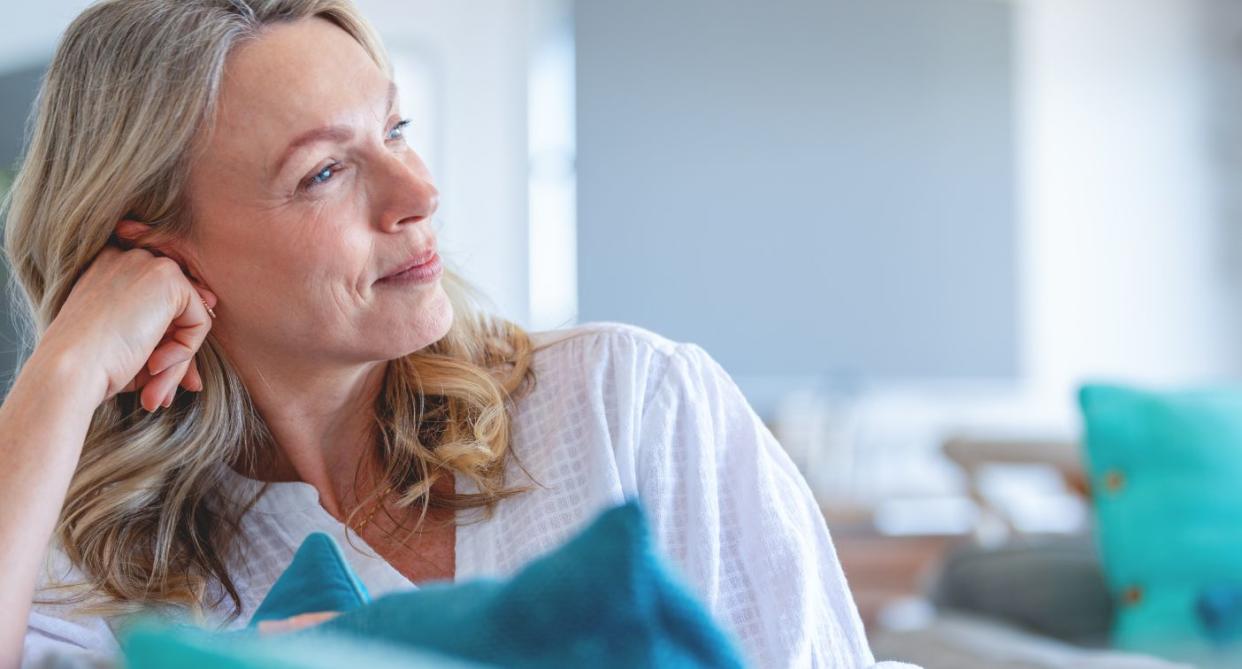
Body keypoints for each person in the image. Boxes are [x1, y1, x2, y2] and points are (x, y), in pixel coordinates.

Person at [0, 1, 908, 667]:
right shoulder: (95, 560)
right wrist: (65, 369)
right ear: (157, 248)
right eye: (324, 171)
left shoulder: (629, 404)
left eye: (396, 128)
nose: (418, 193)